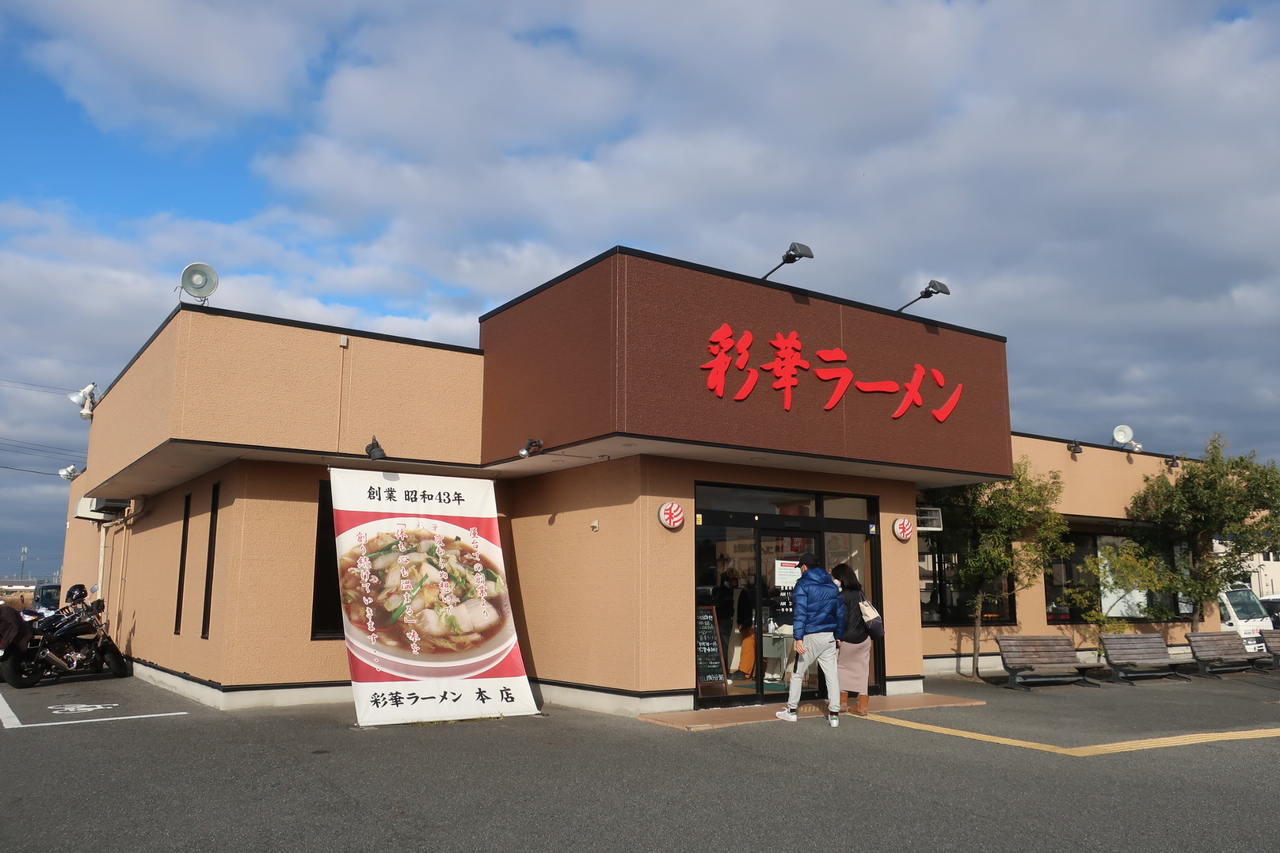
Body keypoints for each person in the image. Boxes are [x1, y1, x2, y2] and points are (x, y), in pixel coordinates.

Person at [775, 553, 845, 728]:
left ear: (804, 567)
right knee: (832, 676)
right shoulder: (831, 585)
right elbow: (840, 613)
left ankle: (792, 711)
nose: (800, 570)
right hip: (829, 636)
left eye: (800, 567)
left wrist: (798, 638)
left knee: (797, 674)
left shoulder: (802, 584)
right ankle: (834, 715)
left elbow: (800, 613)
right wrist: (838, 634)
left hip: (810, 635)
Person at [830, 562, 872, 717]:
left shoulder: (842, 596)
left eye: (834, 578)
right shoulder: (860, 593)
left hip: (848, 638)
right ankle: (862, 706)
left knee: (841, 669)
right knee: (862, 670)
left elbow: (843, 619)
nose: (834, 580)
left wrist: (838, 636)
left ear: (840, 579)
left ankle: (842, 703)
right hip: (864, 637)